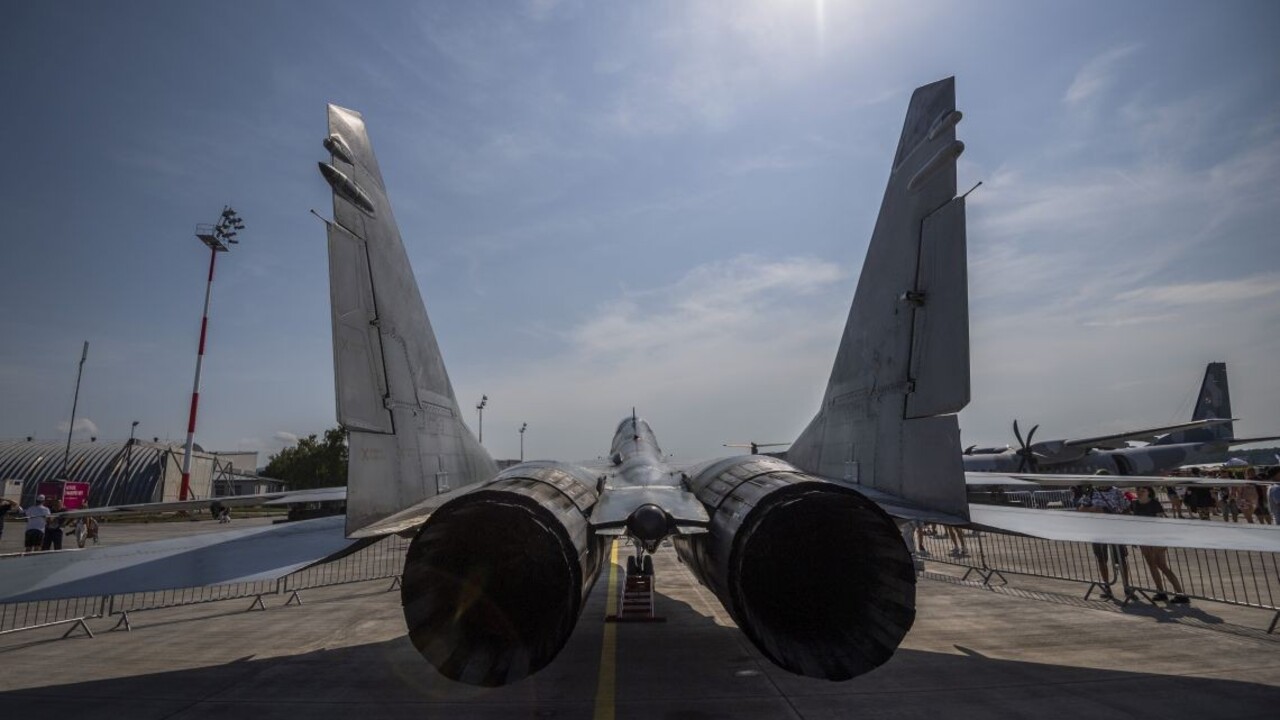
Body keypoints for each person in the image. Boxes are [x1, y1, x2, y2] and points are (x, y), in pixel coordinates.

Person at [1131, 486, 1189, 604]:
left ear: (1149, 492)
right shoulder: (1135, 504)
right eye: (1138, 490)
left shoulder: (1154, 503)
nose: (1139, 492)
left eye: (1143, 490)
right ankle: (1161, 591)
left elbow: (1161, 520)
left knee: (1161, 565)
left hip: (1156, 538)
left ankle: (1180, 593)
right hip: (1143, 538)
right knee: (1151, 565)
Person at [1077, 473, 1132, 599]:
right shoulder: (1091, 492)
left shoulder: (1116, 492)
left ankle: (1127, 587)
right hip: (1098, 531)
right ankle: (1107, 587)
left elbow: (1127, 508)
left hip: (1115, 530)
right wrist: (1094, 509)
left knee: (1121, 559)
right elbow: (1080, 509)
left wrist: (1118, 517)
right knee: (1101, 559)